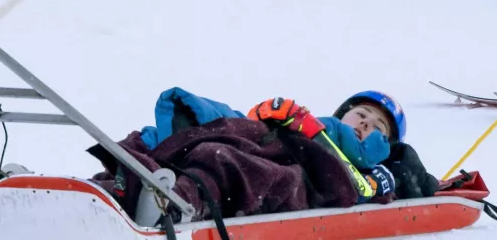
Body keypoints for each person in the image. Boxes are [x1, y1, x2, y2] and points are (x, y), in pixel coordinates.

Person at [89, 88, 437, 225]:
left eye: (380, 128)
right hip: (275, 144)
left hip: (303, 176)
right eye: (361, 113)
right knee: (183, 134)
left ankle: (177, 200)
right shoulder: (315, 124)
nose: (366, 124)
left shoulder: (372, 166)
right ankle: (115, 183)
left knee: (224, 160)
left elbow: (388, 178)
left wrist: (389, 157)